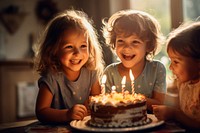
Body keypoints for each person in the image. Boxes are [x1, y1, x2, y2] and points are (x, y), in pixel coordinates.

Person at [33, 9, 105, 124]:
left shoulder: (91, 73)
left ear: (90, 47)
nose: (77, 53)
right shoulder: (52, 77)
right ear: (54, 49)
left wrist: (92, 105)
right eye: (69, 47)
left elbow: (97, 101)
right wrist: (67, 114)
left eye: (83, 46)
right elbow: (41, 112)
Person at [102, 9, 166, 112]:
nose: (127, 48)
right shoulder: (110, 72)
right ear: (114, 43)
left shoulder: (157, 69)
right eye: (121, 41)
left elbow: (158, 104)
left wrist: (131, 99)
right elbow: (106, 105)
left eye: (135, 42)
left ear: (148, 46)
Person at [153, 21, 200, 129]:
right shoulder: (183, 83)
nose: (170, 67)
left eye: (176, 62)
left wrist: (175, 114)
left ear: (198, 63)